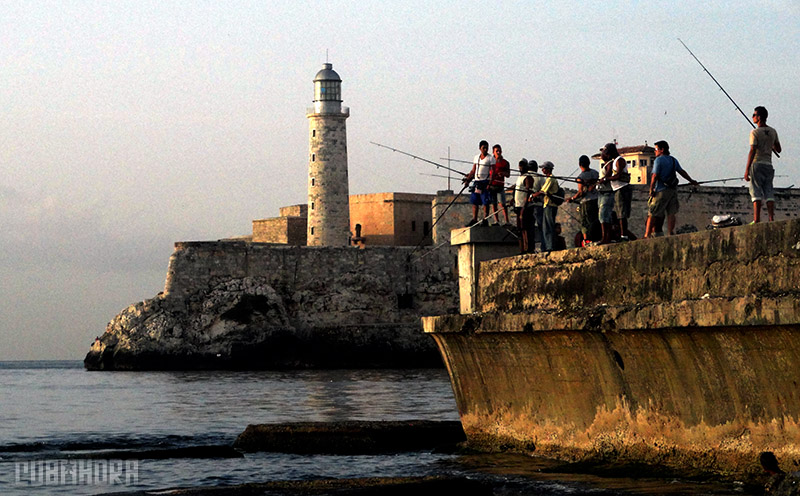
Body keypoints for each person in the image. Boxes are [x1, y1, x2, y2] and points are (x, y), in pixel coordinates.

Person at [645, 140, 699, 237]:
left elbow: (655, 176)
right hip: (672, 190)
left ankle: (647, 234)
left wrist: (651, 189)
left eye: (656, 149)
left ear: (662, 150)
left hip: (661, 190)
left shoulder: (658, 160)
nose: (655, 151)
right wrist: (691, 181)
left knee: (652, 212)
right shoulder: (673, 160)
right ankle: (670, 232)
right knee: (671, 212)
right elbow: (681, 171)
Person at [745, 106, 782, 223]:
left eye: (754, 115)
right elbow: (779, 149)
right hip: (768, 165)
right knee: (769, 191)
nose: (752, 117)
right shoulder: (773, 131)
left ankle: (756, 219)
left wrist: (747, 170)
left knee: (756, 192)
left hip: (757, 164)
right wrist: (770, 145)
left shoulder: (754, 132)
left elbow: (753, 150)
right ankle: (771, 218)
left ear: (759, 117)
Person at [598, 143, 634, 240]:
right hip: (617, 189)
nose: (607, 155)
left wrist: (606, 179)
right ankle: (624, 235)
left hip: (622, 188)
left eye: (607, 153)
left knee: (622, 214)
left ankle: (624, 236)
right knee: (619, 214)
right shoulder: (614, 161)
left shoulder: (619, 160)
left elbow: (618, 175)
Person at [566, 155, 599, 247]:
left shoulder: (581, 177)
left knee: (585, 222)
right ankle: (596, 238)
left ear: (579, 164)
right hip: (596, 200)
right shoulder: (596, 173)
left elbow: (581, 193)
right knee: (595, 220)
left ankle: (586, 240)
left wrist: (572, 198)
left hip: (586, 202)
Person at [462, 140, 495, 226]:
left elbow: (492, 172)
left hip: (485, 182)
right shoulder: (476, 157)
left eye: (487, 148)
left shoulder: (490, 158)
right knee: (475, 201)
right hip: (477, 182)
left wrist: (490, 183)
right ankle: (474, 219)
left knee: (485, 202)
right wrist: (468, 180)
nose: (485, 149)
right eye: (483, 148)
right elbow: (473, 170)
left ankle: (485, 219)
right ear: (480, 148)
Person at [529, 161, 559, 252]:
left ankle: (550, 247)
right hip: (547, 205)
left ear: (548, 169)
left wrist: (533, 196)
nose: (542, 170)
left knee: (548, 227)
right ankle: (548, 246)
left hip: (550, 206)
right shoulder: (548, 179)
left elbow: (542, 191)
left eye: (544, 168)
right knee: (546, 227)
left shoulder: (550, 179)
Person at [513, 158, 536, 253]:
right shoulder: (519, 177)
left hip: (525, 207)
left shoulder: (528, 178)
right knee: (520, 229)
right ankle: (522, 248)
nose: (521, 167)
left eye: (523, 165)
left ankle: (528, 248)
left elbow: (528, 192)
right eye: (520, 165)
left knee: (526, 228)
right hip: (518, 206)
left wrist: (524, 206)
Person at [595, 144, 616, 244]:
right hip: (602, 193)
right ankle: (605, 237)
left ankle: (606, 238)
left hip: (607, 193)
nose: (601, 155)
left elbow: (608, 176)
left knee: (604, 215)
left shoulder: (610, 164)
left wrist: (602, 180)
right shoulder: (606, 164)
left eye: (603, 152)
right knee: (602, 216)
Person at [489, 144, 511, 225]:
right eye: (496, 151)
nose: (498, 152)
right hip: (492, 185)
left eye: (499, 151)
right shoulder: (490, 162)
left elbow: (508, 174)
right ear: (493, 152)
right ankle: (496, 221)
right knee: (494, 204)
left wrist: (503, 173)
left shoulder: (505, 162)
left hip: (500, 186)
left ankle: (507, 221)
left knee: (502, 204)